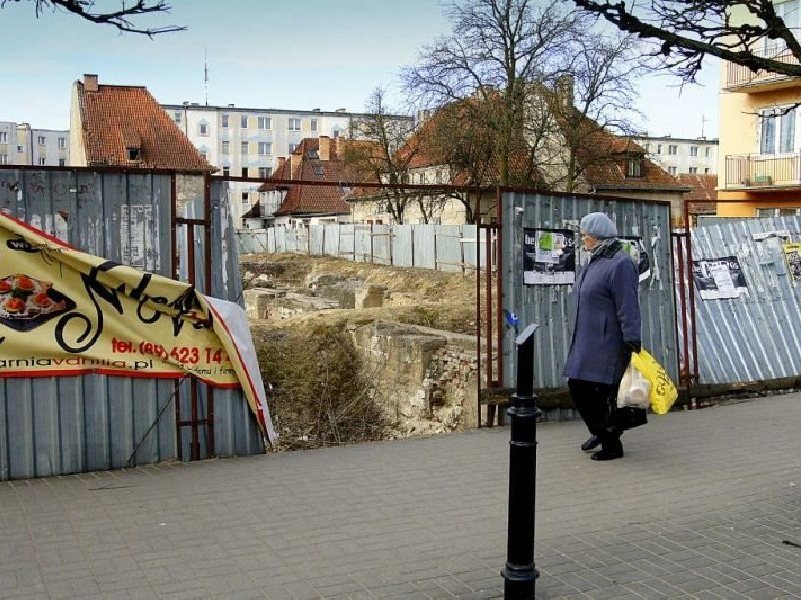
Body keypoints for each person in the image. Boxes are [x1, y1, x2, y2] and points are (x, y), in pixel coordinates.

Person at [563, 212, 642, 461]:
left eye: (585, 236)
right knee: (579, 385)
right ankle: (600, 431)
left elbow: (628, 305)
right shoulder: (596, 260)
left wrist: (631, 339)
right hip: (588, 339)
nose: (582, 240)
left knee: (602, 392)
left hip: (608, 342)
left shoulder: (620, 263)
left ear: (598, 237)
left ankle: (611, 443)